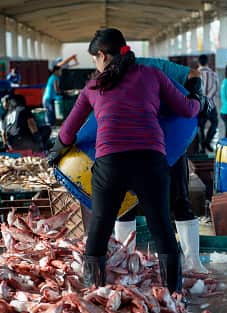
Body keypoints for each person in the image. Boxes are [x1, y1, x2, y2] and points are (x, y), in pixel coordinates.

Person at [47, 28, 202, 292]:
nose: (96, 65)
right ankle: (175, 297)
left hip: (111, 165)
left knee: (99, 228)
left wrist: (56, 152)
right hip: (151, 162)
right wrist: (199, 101)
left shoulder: (94, 86)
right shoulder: (153, 75)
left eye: (95, 59)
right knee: (162, 228)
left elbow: (68, 131)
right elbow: (187, 109)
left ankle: (94, 291)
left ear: (103, 56)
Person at [114, 57, 210, 275]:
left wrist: (197, 96)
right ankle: (124, 261)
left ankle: (193, 262)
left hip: (171, 141)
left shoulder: (153, 67)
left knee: (180, 200)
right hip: (132, 145)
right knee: (126, 202)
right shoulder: (110, 76)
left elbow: (193, 75)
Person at [197, 54, 219, 153]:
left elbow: (192, 89)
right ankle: (207, 142)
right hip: (211, 105)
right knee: (214, 123)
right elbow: (216, 89)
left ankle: (202, 146)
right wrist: (208, 98)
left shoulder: (195, 74)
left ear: (198, 63)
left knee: (200, 126)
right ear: (207, 62)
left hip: (199, 105)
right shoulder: (213, 74)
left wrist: (201, 99)